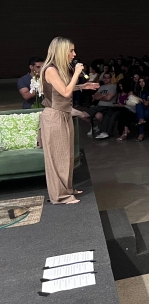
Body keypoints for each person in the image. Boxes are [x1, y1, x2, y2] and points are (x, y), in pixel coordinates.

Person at [39, 37, 99, 204]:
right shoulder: (50, 70)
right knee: (57, 157)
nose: (74, 54)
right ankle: (60, 195)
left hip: (64, 114)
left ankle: (67, 189)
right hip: (54, 116)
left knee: (66, 155)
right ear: (61, 51)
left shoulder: (58, 69)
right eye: (71, 51)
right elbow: (65, 92)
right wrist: (78, 74)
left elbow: (61, 90)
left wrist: (83, 86)